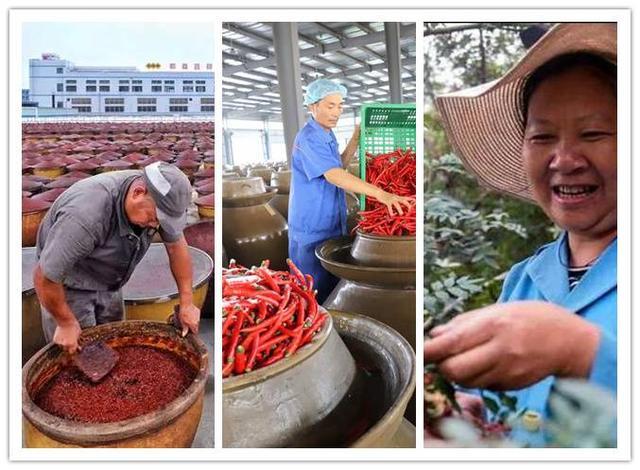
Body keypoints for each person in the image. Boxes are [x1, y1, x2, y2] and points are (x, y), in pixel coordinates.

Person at [425, 23, 617, 446]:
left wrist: (583, 352)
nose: (564, 160)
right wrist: (462, 414)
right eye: (542, 136)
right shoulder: (522, 280)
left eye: (594, 133)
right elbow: (491, 403)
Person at [34, 161, 201, 354]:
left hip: (109, 280)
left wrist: (187, 302)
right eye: (156, 218)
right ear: (138, 193)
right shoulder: (86, 215)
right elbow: (45, 277)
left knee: (114, 345)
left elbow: (177, 248)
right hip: (68, 285)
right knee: (76, 355)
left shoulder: (157, 199)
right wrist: (65, 322)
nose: (156, 226)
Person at [288, 78, 413, 302]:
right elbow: (333, 175)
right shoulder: (308, 138)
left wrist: (355, 140)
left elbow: (339, 165)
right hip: (311, 226)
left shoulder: (327, 134)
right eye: (330, 105)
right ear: (313, 106)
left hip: (331, 221)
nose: (336, 112)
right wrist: (382, 194)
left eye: (340, 105)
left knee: (331, 286)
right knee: (310, 290)